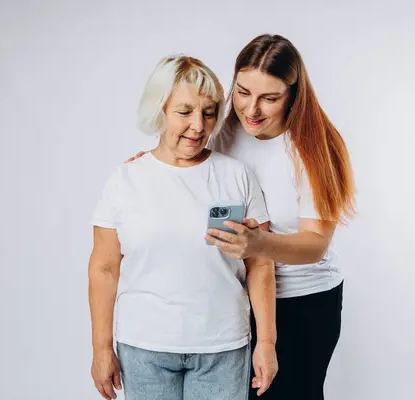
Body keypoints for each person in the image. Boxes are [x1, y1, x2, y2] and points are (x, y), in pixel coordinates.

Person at [127, 34, 355, 399]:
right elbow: (187, 164)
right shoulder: (223, 131)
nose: (252, 109)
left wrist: (258, 243)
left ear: (293, 95)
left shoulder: (316, 146)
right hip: (237, 297)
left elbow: (316, 246)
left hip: (304, 302)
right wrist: (150, 167)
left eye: (269, 98)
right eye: (243, 92)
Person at [88, 55, 278, 400]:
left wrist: (266, 342)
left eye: (208, 112)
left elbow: (261, 264)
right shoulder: (125, 180)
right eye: (184, 112)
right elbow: (103, 267)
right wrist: (101, 349)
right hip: (144, 347)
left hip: (223, 347)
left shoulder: (237, 175)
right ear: (159, 109)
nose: (198, 125)